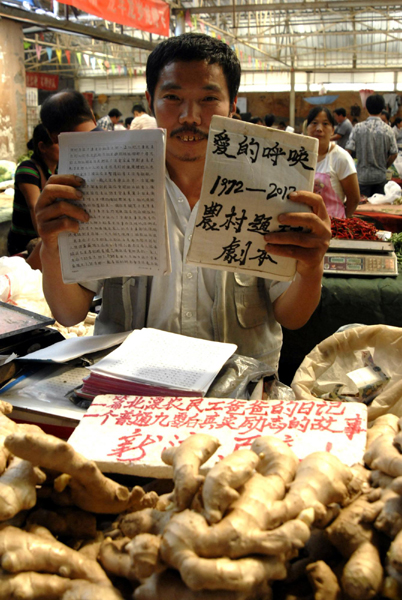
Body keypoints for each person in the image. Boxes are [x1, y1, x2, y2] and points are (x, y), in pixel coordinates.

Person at [35, 33, 331, 371]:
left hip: (236, 398)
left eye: (208, 99)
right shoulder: (106, 185)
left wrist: (310, 270)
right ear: (151, 101)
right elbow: (69, 312)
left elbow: (292, 317)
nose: (190, 116)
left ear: (232, 105)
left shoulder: (272, 188)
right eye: (173, 97)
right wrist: (53, 248)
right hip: (130, 393)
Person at [7, 124, 58, 256]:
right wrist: (46, 241)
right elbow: (35, 207)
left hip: (47, 241)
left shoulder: (58, 171)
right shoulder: (27, 169)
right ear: (42, 147)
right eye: (58, 143)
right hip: (24, 245)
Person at [306, 106, 360, 219]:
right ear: (307, 128)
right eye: (314, 123)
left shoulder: (341, 157)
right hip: (303, 225)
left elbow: (354, 198)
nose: (319, 129)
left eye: (325, 124)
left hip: (333, 227)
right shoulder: (298, 155)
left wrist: (344, 220)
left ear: (333, 130)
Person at [346, 94, 398, 197]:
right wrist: (384, 165)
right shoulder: (388, 130)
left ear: (366, 108)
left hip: (362, 179)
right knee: (378, 209)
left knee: (362, 210)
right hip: (380, 178)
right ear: (382, 109)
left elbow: (348, 151)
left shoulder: (357, 128)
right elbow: (394, 154)